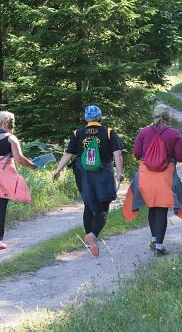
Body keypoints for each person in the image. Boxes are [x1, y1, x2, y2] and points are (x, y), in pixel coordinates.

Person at [52, 105, 124, 257]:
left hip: (82, 172)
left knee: (88, 204)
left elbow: (68, 153)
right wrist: (120, 173)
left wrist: (58, 170)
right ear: (100, 117)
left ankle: (88, 241)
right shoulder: (109, 132)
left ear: (86, 118)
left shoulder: (78, 132)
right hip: (103, 172)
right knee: (103, 206)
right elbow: (117, 154)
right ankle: (92, 235)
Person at [122, 104, 182, 256]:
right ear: (169, 117)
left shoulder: (144, 131)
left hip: (145, 177)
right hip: (165, 177)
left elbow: (136, 154)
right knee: (161, 210)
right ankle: (159, 247)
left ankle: (154, 240)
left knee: (152, 207)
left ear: (154, 116)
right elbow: (180, 157)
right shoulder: (174, 133)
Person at [0, 111, 37, 252]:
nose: (13, 125)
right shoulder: (10, 138)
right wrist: (33, 165)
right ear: (5, 123)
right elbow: (19, 159)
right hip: (1, 178)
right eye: (12, 122)